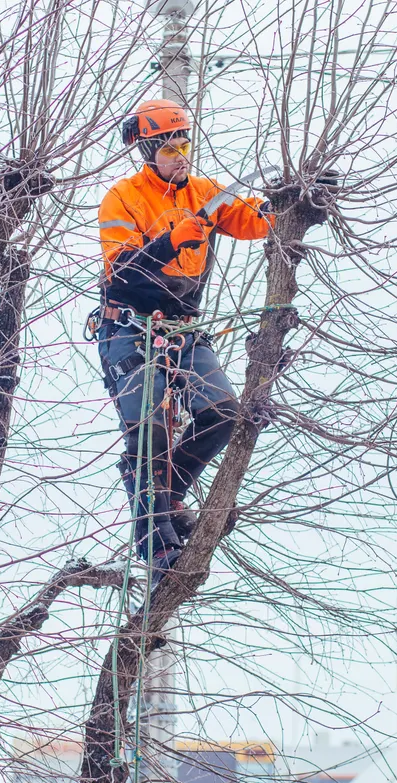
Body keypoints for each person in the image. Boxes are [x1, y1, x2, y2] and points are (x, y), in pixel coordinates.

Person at [94, 99, 272, 575]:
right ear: (148, 151)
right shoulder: (123, 197)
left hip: (183, 325)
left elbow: (254, 220)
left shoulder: (204, 192)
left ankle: (169, 495)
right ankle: (157, 549)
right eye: (169, 146)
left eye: (184, 143)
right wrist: (170, 241)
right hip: (129, 325)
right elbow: (121, 274)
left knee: (221, 415)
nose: (179, 153)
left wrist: (290, 202)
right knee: (149, 433)